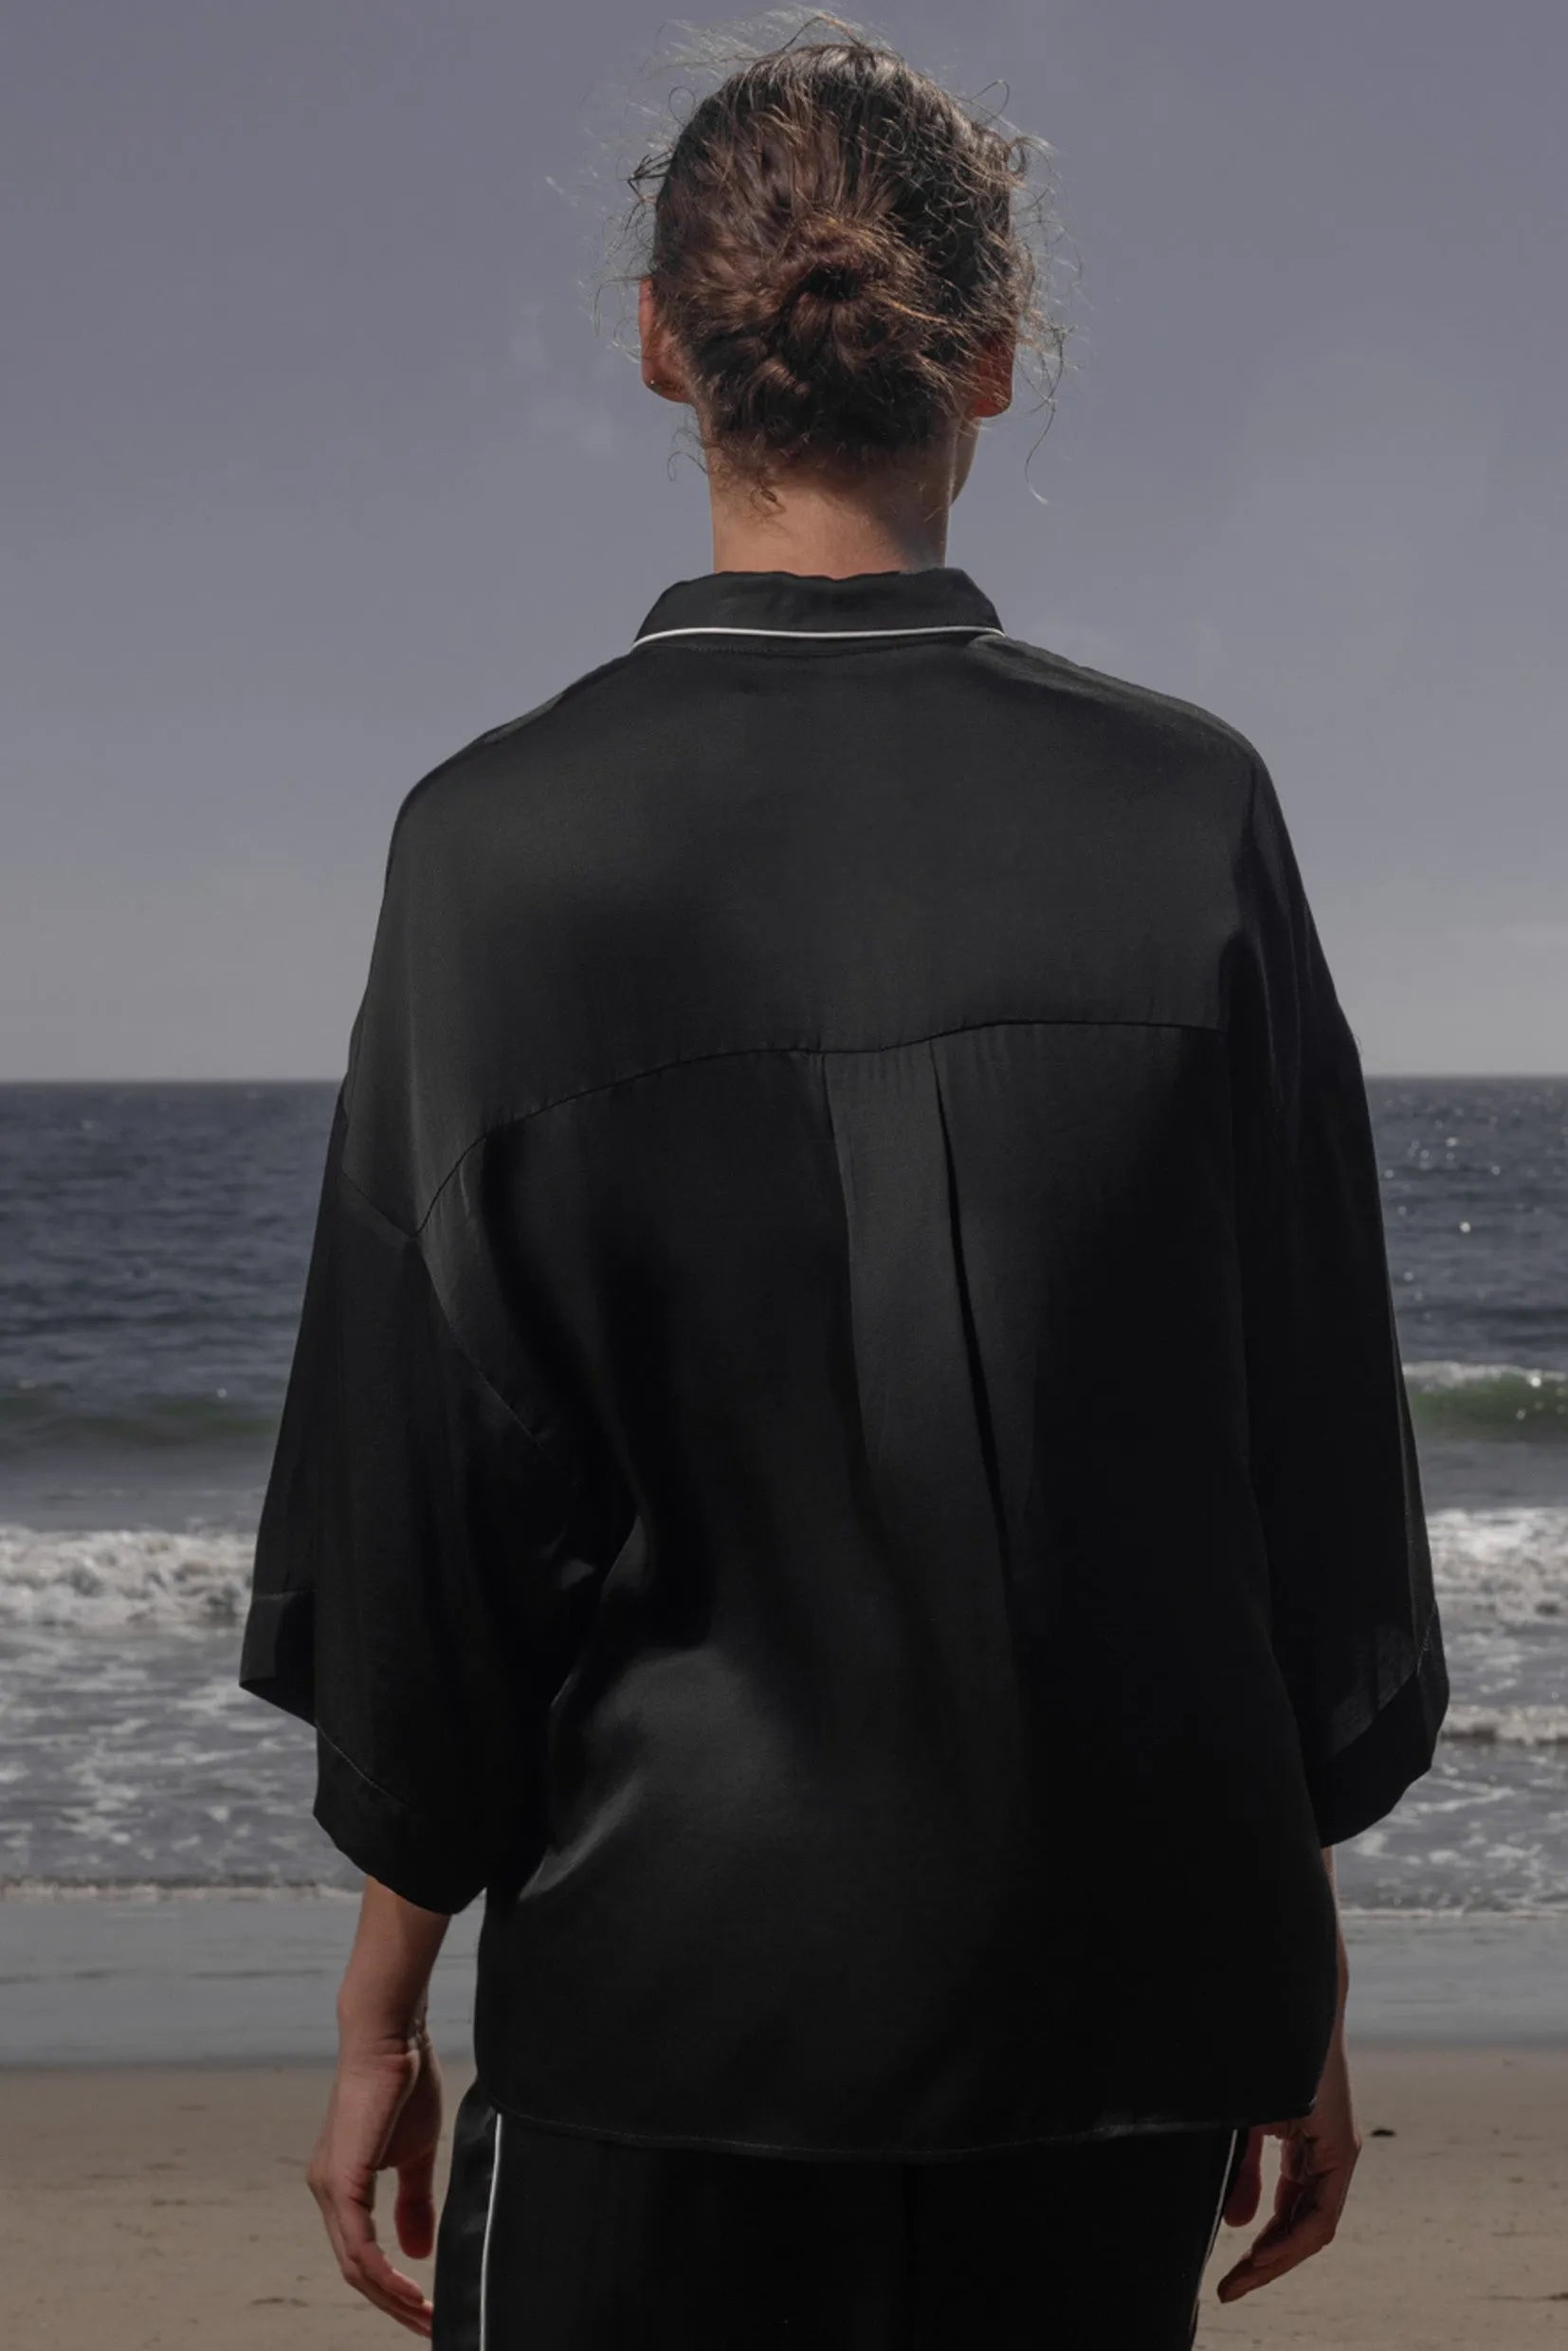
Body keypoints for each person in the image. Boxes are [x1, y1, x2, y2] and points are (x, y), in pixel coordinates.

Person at [236, 16, 1449, 2347]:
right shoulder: (1183, 815)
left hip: (653, 2023)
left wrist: (384, 1994)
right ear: (989, 357)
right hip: (1102, 2026)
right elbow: (1284, 1462)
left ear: (658, 344)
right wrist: (1278, 1956)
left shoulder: (491, 848)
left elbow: (436, 1517)